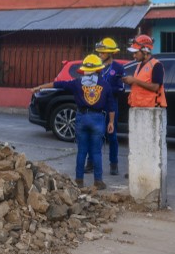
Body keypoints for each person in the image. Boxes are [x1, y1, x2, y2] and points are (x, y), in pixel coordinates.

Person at [33, 54, 116, 190]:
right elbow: (111, 106)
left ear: (84, 70)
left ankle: (79, 180)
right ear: (99, 69)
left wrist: (40, 87)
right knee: (96, 152)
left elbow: (57, 84)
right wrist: (111, 122)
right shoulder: (105, 85)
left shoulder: (77, 83)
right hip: (97, 119)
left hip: (82, 117)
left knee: (82, 151)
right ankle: (98, 181)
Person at [85, 37, 125, 176]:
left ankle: (114, 164)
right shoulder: (96, 66)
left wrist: (106, 89)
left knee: (112, 136)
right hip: (96, 107)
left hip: (111, 107)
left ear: (110, 53)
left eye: (103, 52)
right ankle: (90, 163)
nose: (100, 54)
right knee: (93, 135)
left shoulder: (118, 68)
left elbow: (121, 89)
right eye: (99, 52)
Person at [122, 34, 167, 109]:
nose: (134, 56)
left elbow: (155, 87)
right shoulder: (139, 65)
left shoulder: (156, 65)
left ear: (145, 52)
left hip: (152, 109)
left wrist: (134, 80)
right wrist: (130, 82)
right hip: (138, 107)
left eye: (136, 53)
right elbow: (140, 84)